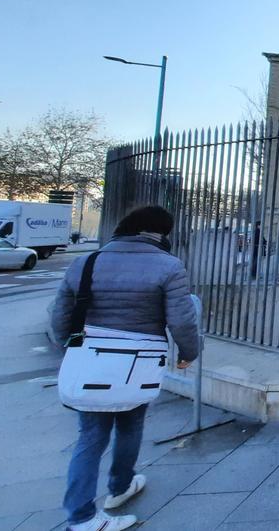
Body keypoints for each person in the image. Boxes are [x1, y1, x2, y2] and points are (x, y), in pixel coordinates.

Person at [51, 206, 199, 531]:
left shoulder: (86, 262)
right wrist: (189, 353)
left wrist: (71, 348)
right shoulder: (169, 265)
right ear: (160, 233)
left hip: (92, 357)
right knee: (131, 425)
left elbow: (60, 316)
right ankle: (118, 487)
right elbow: (182, 320)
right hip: (140, 359)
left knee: (90, 437)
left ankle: (81, 513)